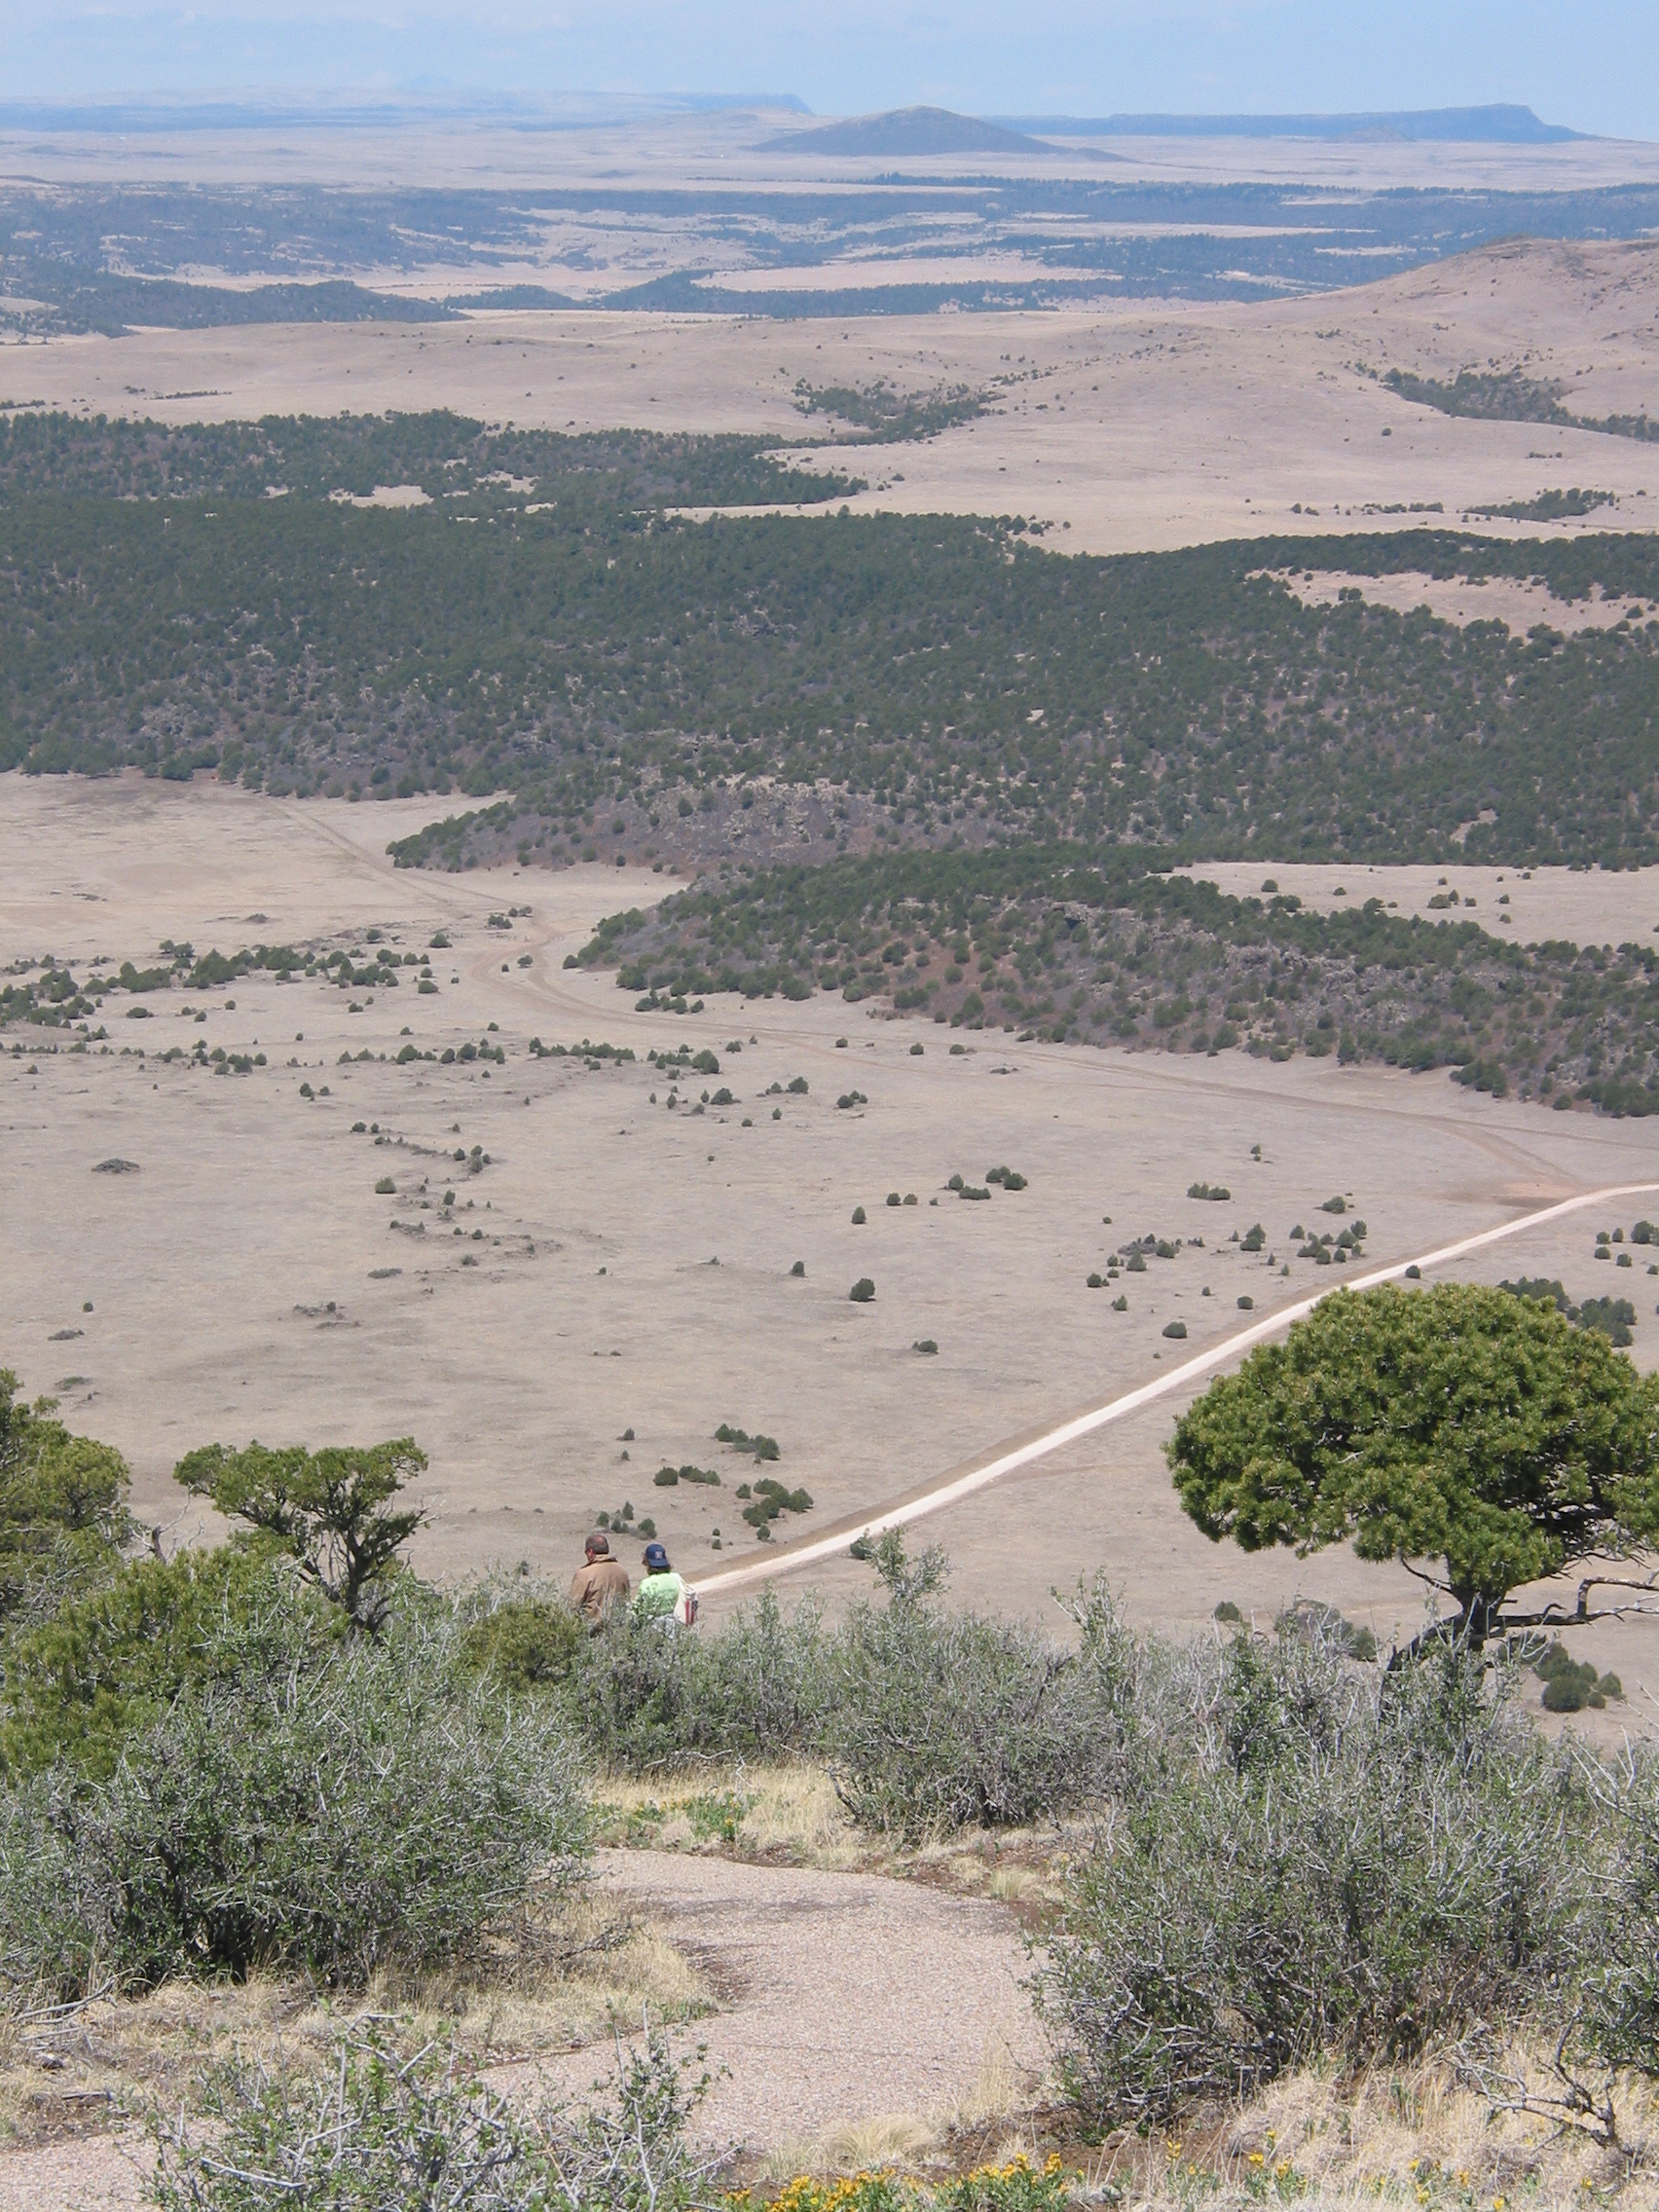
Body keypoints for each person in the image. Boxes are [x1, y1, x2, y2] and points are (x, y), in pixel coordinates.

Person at [569, 1532, 630, 1628]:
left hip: (591, 1630)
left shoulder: (584, 1574)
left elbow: (573, 1606)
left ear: (590, 1552)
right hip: (617, 1630)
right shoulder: (622, 1572)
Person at [634, 1539, 689, 1623]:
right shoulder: (676, 1578)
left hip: (653, 1627)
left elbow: (637, 1609)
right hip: (674, 1625)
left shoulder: (646, 1583)